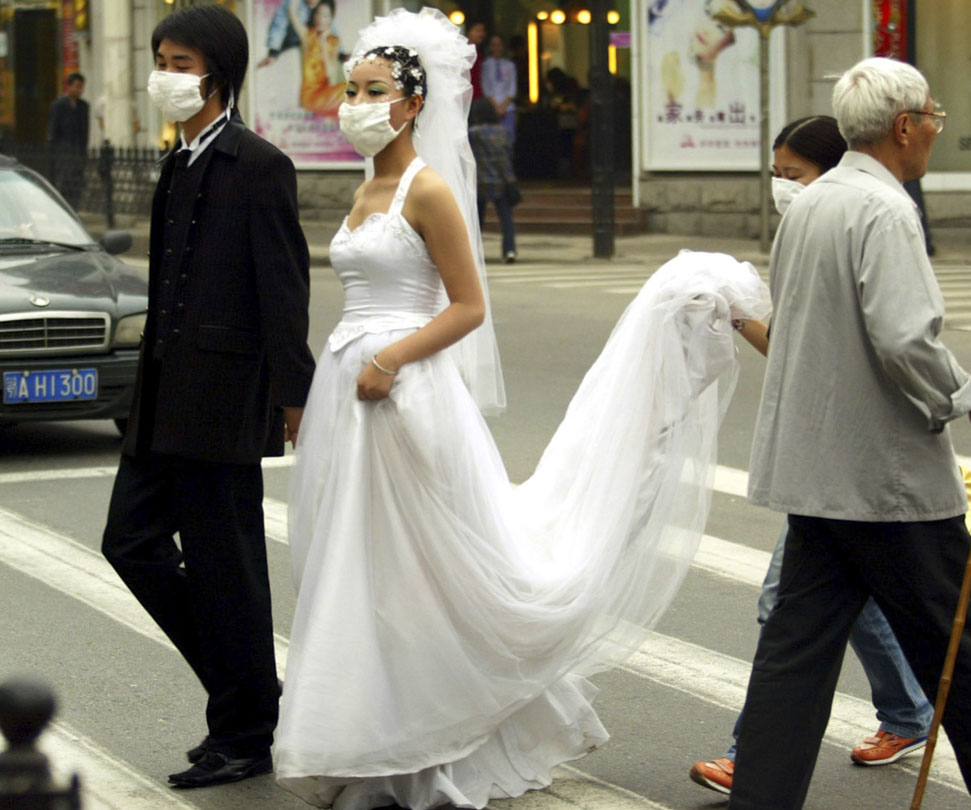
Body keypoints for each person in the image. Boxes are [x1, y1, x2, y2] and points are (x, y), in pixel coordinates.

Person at [273, 9, 771, 810]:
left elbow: (468, 306)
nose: (356, 101)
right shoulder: (364, 187)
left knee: (420, 569)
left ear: (411, 104)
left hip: (404, 392)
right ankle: (374, 736)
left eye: (374, 90)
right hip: (350, 391)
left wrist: (393, 359)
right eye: (351, 88)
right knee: (360, 570)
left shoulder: (427, 189)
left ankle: (436, 742)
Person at [723, 56, 971, 810]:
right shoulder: (884, 210)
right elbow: (904, 338)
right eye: (934, 119)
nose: (935, 133)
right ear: (905, 125)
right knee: (960, 637)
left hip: (819, 473)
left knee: (798, 649)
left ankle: (762, 794)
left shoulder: (813, 204)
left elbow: (803, 332)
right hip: (882, 478)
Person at [690, 114, 938, 796]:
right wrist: (740, 317)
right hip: (827, 459)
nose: (780, 190)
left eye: (791, 177)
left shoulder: (864, 231)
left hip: (859, 457)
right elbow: (799, 352)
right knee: (853, 601)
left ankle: (754, 757)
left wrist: (964, 401)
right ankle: (910, 712)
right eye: (774, 177)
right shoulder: (811, 232)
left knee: (789, 607)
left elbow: (903, 343)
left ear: (834, 172)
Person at [101, 3, 315, 790]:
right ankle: (250, 698)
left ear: (218, 75)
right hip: (163, 400)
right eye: (161, 58)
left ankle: (246, 727)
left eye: (181, 63)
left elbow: (283, 291)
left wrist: (296, 396)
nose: (166, 74)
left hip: (224, 400)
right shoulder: (176, 160)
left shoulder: (259, 165)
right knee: (129, 543)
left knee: (229, 568)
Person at [469, 97, 518, 263]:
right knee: (506, 219)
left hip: (479, 181)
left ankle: (475, 251)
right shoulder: (503, 132)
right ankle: (509, 250)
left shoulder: (472, 133)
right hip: (501, 180)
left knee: (477, 220)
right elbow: (508, 155)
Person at [289, 0, 346, 116]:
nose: (320, 19)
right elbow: (292, 11)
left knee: (351, 89)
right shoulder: (307, 36)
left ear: (331, 19)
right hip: (310, 96)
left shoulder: (334, 41)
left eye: (325, 16)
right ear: (314, 15)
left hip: (325, 92)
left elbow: (330, 73)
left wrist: (323, 42)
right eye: (318, 14)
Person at [46, 72, 89, 207]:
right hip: (63, 151)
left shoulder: (83, 106)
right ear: (69, 87)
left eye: (81, 87)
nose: (79, 90)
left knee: (77, 184)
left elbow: (85, 130)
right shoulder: (58, 105)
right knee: (65, 183)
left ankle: (74, 207)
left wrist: (83, 152)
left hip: (78, 151)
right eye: (77, 86)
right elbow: (53, 129)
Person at [480, 34, 516, 142]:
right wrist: (496, 107)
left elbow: (512, 88)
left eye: (499, 45)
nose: (496, 48)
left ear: (503, 47)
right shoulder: (485, 65)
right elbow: (486, 88)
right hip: (491, 108)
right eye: (493, 45)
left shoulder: (510, 65)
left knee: (508, 139)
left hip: (507, 108)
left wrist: (503, 107)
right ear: (490, 47)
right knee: (492, 141)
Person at [466, 19, 486, 103]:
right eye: (477, 31)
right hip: (466, 98)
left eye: (482, 31)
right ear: (469, 32)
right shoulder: (463, 52)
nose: (481, 34)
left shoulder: (481, 53)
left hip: (479, 98)